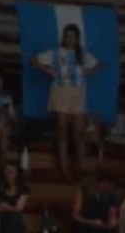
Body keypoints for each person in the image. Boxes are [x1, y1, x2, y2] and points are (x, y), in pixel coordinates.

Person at [30, 23, 99, 180]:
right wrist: (46, 69)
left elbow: (97, 64)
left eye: (73, 36)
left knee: (79, 132)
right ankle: (64, 168)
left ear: (77, 38)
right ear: (64, 37)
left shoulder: (83, 54)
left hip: (78, 93)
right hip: (60, 91)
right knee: (61, 130)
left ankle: (79, 167)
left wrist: (86, 72)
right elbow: (33, 60)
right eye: (67, 35)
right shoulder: (55, 52)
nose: (70, 38)